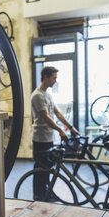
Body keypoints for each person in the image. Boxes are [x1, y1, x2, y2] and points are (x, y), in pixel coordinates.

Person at [31, 66, 79, 200]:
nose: (55, 81)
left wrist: (70, 127)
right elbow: (46, 117)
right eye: (54, 78)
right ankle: (38, 194)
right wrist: (61, 130)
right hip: (40, 138)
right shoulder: (37, 95)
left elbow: (57, 113)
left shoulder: (48, 95)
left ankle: (47, 192)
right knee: (40, 168)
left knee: (47, 168)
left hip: (48, 137)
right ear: (46, 77)